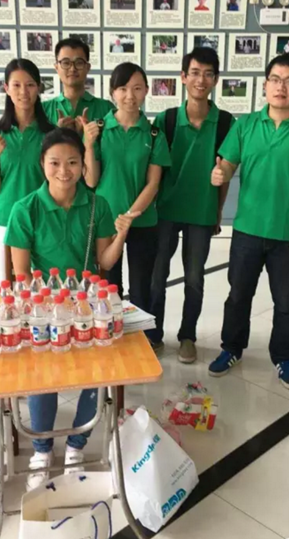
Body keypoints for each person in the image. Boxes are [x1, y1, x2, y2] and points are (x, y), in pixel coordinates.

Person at [5, 127, 139, 489]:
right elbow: (21, 276)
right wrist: (47, 305)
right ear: (42, 164)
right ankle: (42, 449)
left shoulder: (98, 205)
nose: (64, 171)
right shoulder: (25, 209)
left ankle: (77, 445)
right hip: (43, 308)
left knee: (98, 371)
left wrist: (122, 234)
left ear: (83, 165)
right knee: (43, 375)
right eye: (55, 163)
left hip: (86, 306)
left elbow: (105, 261)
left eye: (72, 162)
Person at [209, 53, 289, 390]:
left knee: (286, 301)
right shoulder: (246, 125)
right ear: (265, 85)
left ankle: (284, 357)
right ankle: (231, 348)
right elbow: (228, 164)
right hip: (248, 230)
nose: (282, 87)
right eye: (276, 80)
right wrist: (221, 173)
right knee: (238, 295)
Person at [148, 47, 234, 363]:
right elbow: (153, 170)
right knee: (157, 277)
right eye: (195, 73)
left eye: (208, 74)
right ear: (183, 77)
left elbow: (224, 174)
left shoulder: (225, 123)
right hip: (166, 211)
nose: (201, 80)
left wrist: (218, 211)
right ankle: (154, 334)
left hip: (201, 212)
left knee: (195, 278)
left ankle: (188, 336)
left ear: (216, 80)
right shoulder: (167, 120)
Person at [84, 63, 171, 312]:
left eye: (137, 88)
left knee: (142, 289)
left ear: (146, 91)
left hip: (142, 221)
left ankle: (143, 333)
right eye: (122, 88)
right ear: (112, 92)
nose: (130, 96)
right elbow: (91, 181)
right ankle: (112, 333)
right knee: (109, 288)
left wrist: (129, 216)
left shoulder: (154, 134)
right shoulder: (98, 130)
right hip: (105, 220)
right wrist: (88, 144)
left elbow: (153, 183)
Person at [0, 59, 55, 280]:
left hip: (42, 219)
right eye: (16, 85)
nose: (23, 92)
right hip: (5, 219)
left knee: (42, 285)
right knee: (7, 284)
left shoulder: (51, 134)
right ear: (6, 88)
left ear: (39, 88)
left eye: (30, 85)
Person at [42, 38, 114, 133]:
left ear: (87, 67)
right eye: (66, 63)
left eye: (79, 63)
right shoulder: (43, 110)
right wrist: (58, 133)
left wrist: (87, 135)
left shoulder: (106, 108)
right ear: (56, 68)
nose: (72, 69)